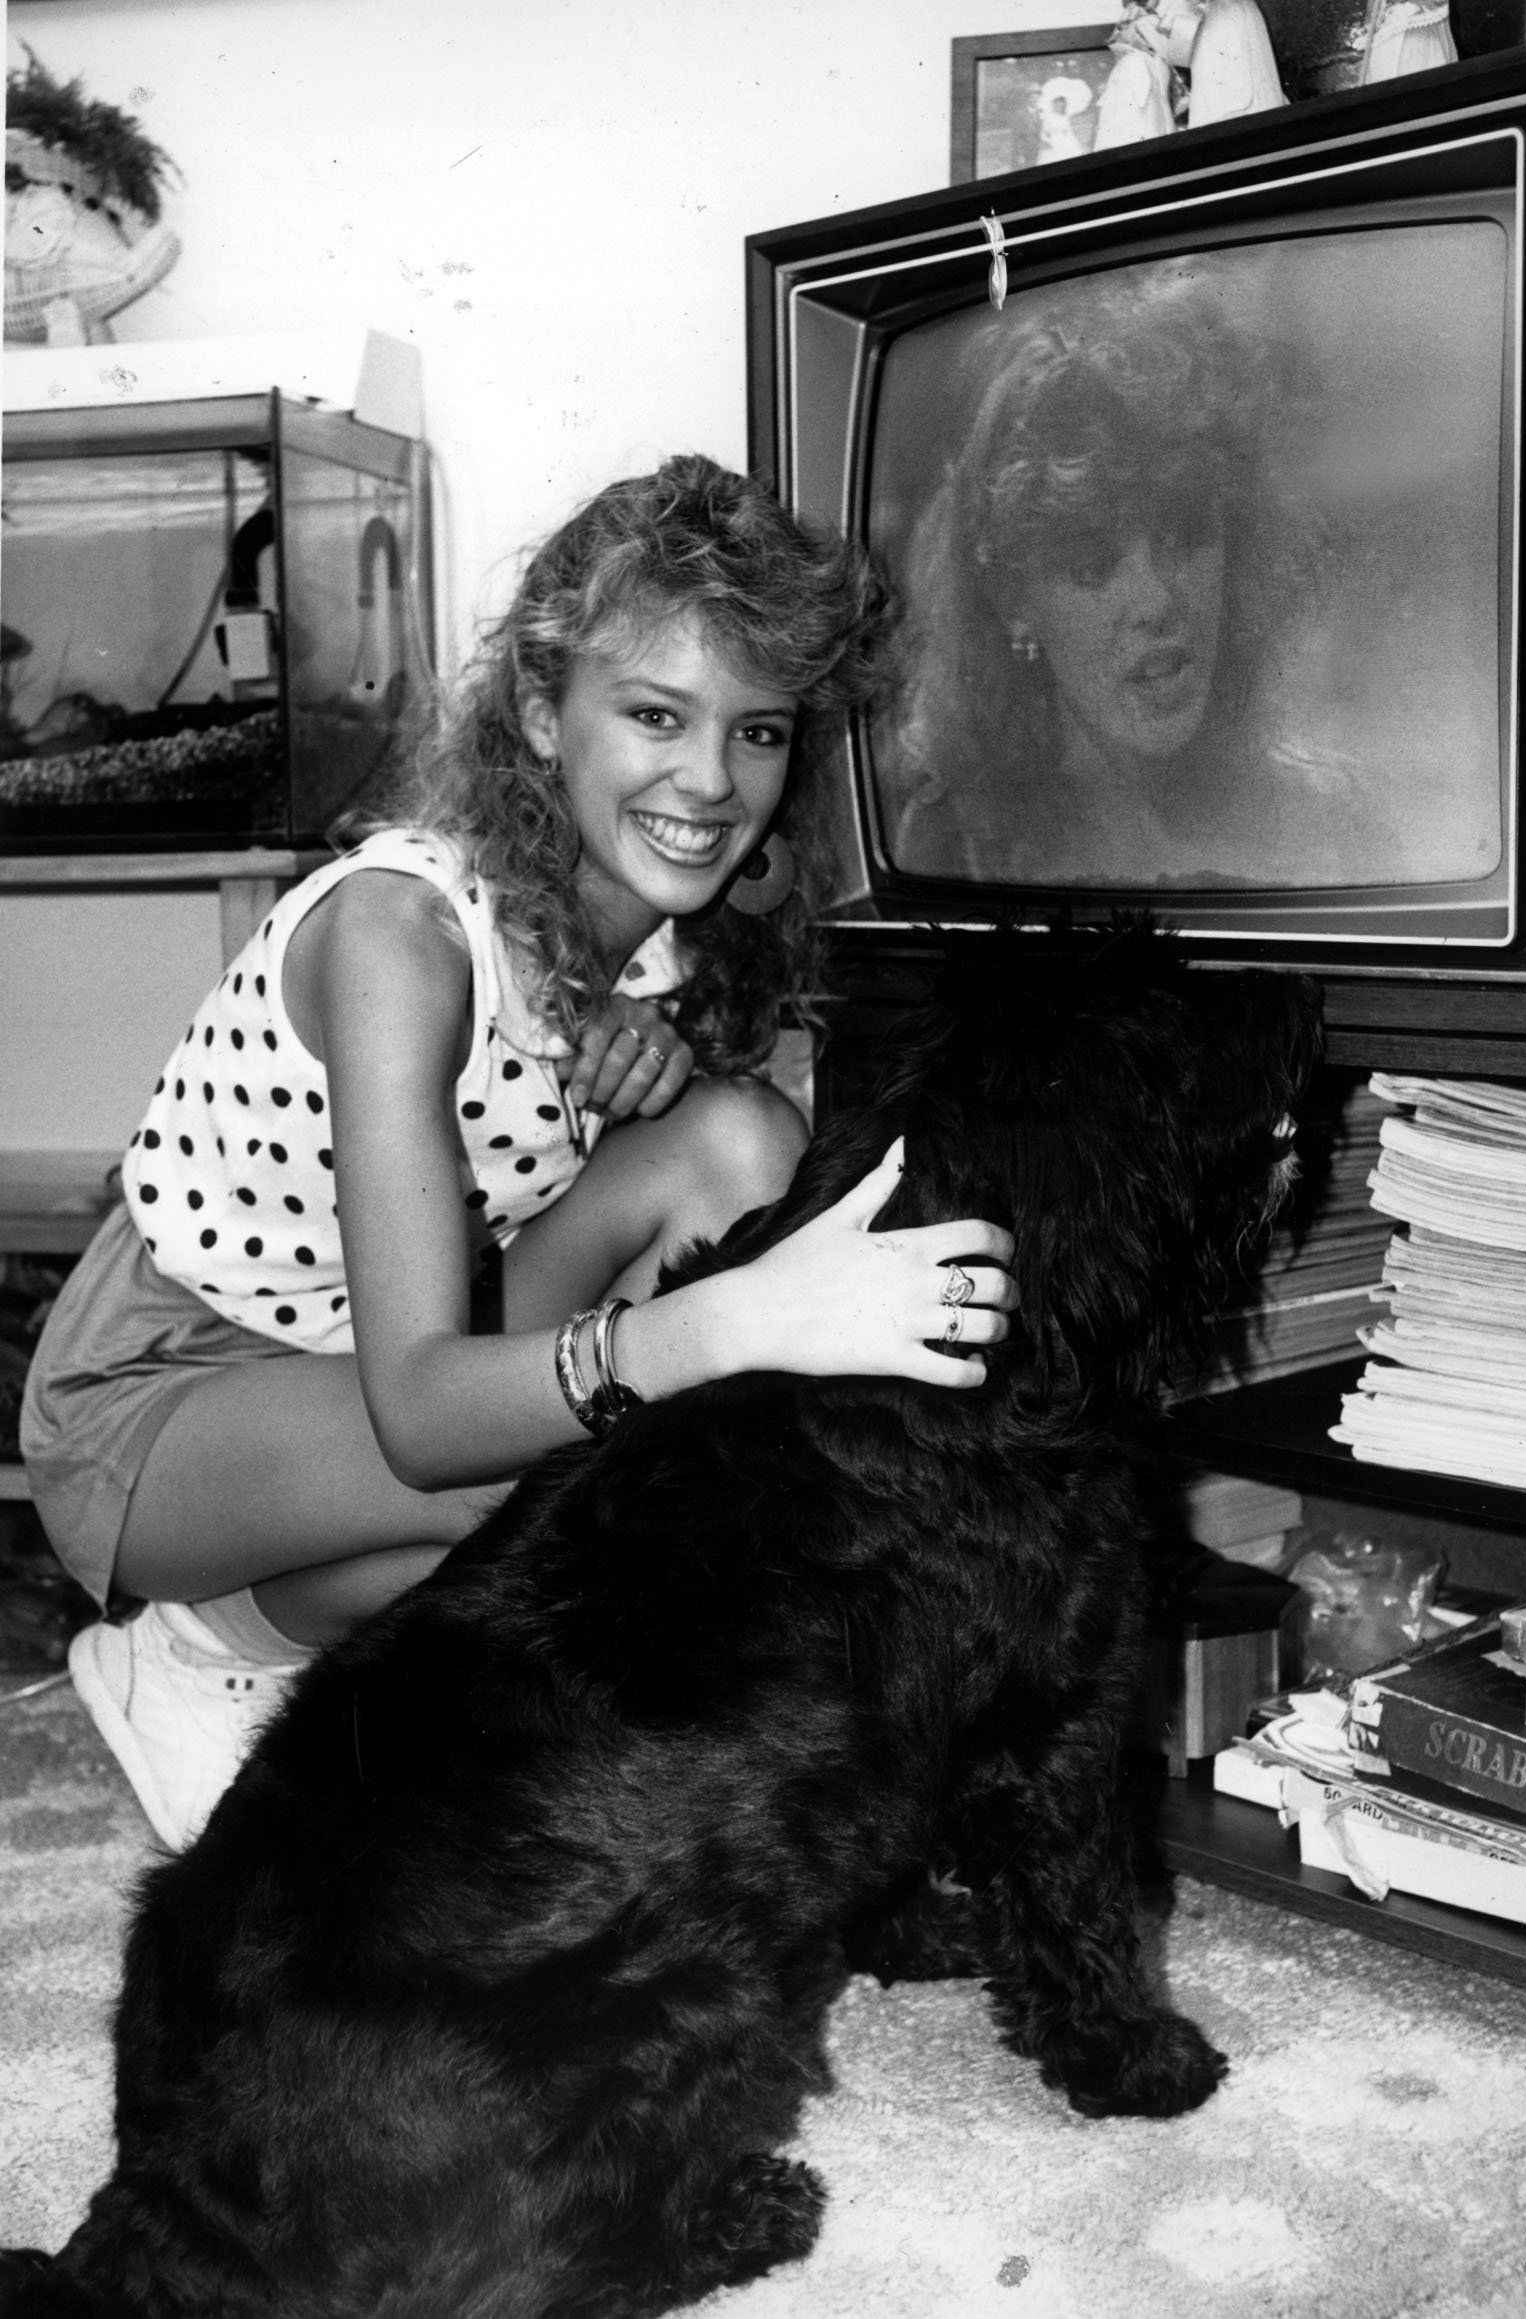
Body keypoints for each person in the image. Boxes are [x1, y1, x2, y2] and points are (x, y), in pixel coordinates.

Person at [20, 453, 1018, 1853]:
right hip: (161, 1397)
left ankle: (389, 1673)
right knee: (590, 1480)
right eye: (655, 714)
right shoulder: (399, 936)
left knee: (741, 1141)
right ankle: (201, 1648)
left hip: (351, 1361)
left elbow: (633, 1152)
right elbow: (427, 1420)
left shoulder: (653, 945)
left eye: (757, 731)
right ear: (544, 713)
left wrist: (659, 1068)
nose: (709, 780)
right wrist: (731, 1323)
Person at [875, 268, 1277, 887]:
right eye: (1093, 566)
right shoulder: (955, 845)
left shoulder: (1332, 819)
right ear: (1012, 601)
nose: (1156, 601)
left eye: (1184, 537)